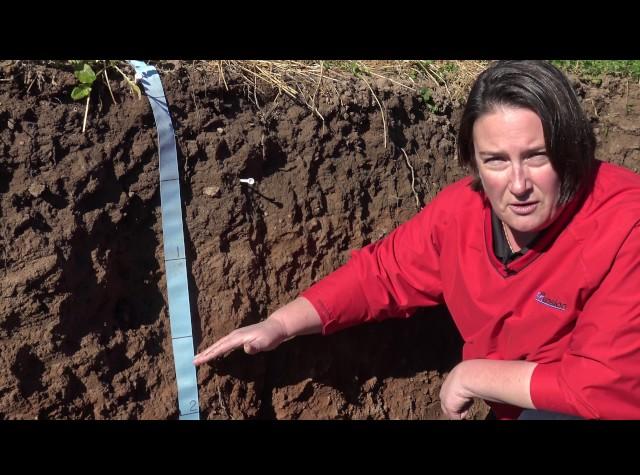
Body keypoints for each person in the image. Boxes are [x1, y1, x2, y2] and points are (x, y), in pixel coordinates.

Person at [193, 60, 640, 420]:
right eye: (496, 161)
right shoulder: (460, 215)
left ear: (573, 150)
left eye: (537, 156)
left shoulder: (624, 223)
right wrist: (278, 325)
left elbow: (604, 389)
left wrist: (472, 376)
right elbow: (381, 275)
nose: (518, 183)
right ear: (474, 164)